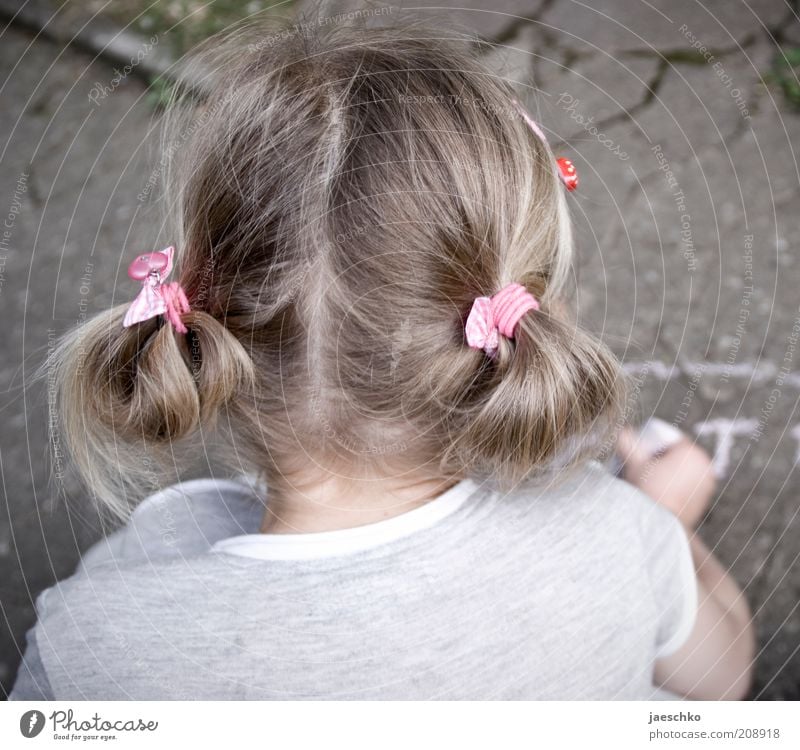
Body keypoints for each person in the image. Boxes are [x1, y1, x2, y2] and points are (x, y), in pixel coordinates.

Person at [10, 22, 754, 700]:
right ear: (524, 314)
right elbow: (723, 685)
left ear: (206, 319)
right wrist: (666, 522)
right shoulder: (610, 537)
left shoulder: (95, 643)